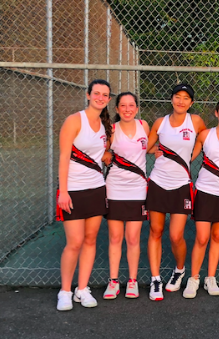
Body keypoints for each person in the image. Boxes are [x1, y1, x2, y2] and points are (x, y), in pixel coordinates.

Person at [146, 84, 206, 301]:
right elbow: (145, 147)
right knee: (155, 231)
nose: (181, 101)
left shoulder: (196, 121)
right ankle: (155, 279)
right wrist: (156, 150)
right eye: (177, 97)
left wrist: (192, 157)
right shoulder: (160, 123)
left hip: (181, 184)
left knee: (175, 235)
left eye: (186, 98)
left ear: (191, 103)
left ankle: (179, 270)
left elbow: (205, 138)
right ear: (171, 99)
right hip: (158, 182)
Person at [56, 79, 112, 311]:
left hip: (97, 188)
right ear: (88, 95)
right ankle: (65, 291)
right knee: (75, 242)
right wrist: (63, 192)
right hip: (74, 191)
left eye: (105, 95)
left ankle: (82, 289)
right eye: (96, 93)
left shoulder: (104, 125)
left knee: (90, 240)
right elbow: (63, 158)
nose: (100, 97)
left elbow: (103, 154)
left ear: (109, 99)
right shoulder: (74, 120)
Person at [182, 97, 219, 299]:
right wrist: (165, 153)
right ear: (216, 113)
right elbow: (188, 157)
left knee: (217, 237)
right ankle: (193, 279)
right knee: (202, 237)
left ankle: (210, 278)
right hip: (204, 192)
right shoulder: (205, 135)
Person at [102, 92, 149, 300]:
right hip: (114, 188)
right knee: (115, 237)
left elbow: (152, 147)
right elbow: (102, 154)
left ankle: (132, 280)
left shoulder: (144, 127)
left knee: (132, 237)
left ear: (137, 108)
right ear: (117, 109)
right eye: (123, 105)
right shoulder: (111, 130)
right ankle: (113, 281)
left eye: (131, 105)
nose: (127, 109)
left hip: (138, 189)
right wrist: (106, 156)